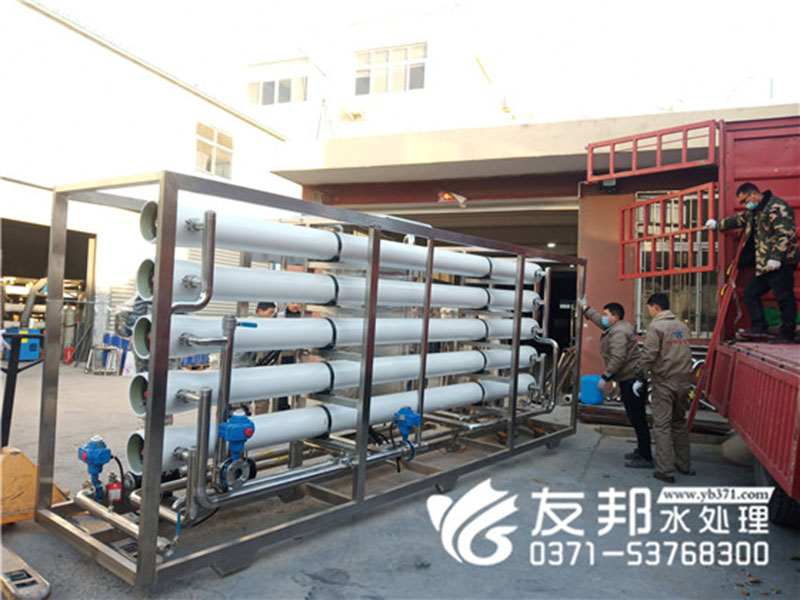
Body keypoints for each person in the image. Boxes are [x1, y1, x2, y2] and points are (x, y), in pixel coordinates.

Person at [705, 183, 799, 343]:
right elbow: (738, 220)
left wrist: (777, 257)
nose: (745, 205)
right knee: (751, 292)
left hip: (781, 263)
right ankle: (759, 327)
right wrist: (717, 225)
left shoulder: (776, 207)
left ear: (754, 194)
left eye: (745, 200)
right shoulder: (754, 211)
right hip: (766, 265)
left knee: (784, 298)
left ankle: (787, 335)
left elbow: (785, 233)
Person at [579, 298, 652, 468]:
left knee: (637, 419)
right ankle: (642, 450)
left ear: (615, 316)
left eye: (606, 314)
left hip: (632, 380)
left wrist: (605, 377)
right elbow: (599, 321)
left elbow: (618, 357)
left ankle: (646, 457)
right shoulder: (617, 326)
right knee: (636, 418)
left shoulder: (619, 332)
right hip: (629, 378)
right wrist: (586, 308)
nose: (603, 317)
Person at [639, 293, 693, 484]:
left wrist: (639, 376)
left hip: (664, 382)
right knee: (678, 423)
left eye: (649, 308)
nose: (649, 312)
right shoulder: (683, 326)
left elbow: (649, 355)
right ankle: (684, 465)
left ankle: (666, 471)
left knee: (662, 426)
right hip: (684, 382)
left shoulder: (656, 327)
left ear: (655, 307)